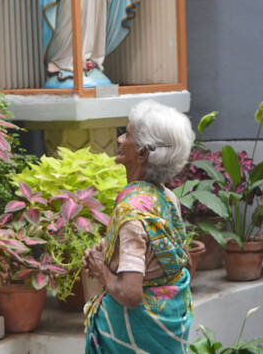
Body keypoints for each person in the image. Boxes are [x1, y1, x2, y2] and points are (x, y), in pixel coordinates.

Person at [83, 100, 194, 353]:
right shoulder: (167, 197)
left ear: (143, 153)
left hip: (132, 335)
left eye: (128, 134)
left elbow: (131, 295)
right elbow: (182, 263)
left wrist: (101, 270)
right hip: (169, 331)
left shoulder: (132, 211)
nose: (121, 139)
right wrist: (113, 255)